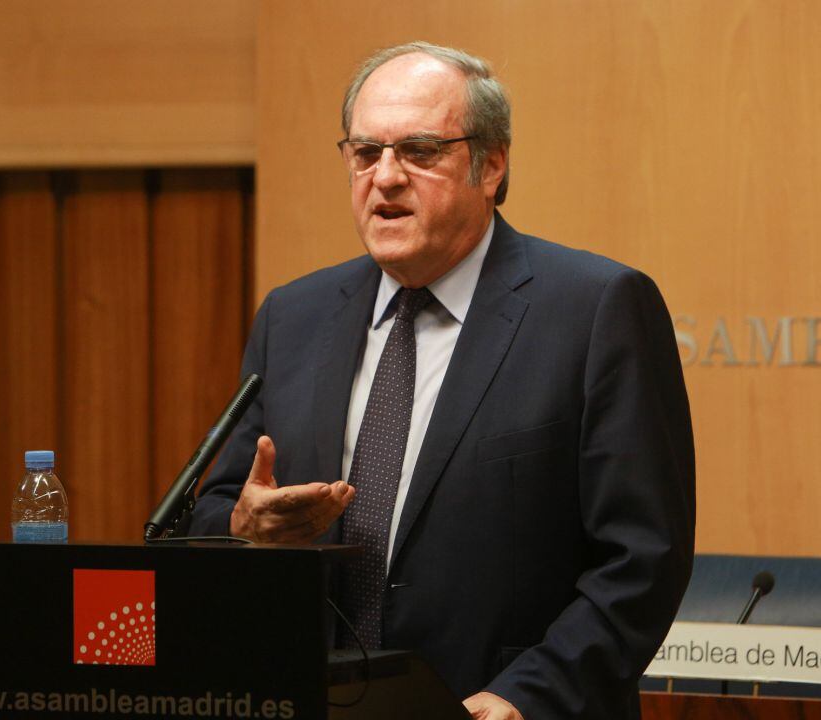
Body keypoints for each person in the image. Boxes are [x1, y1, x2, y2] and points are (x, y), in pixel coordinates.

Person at [189, 41, 694, 719]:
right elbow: (213, 512)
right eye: (365, 153)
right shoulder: (294, 316)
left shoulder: (594, 308)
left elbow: (643, 557)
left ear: (491, 165)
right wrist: (244, 527)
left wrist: (527, 697)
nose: (385, 177)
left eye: (420, 151)